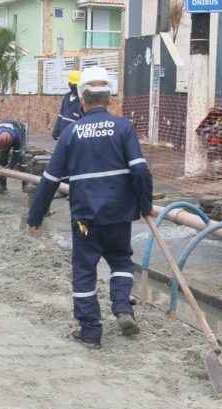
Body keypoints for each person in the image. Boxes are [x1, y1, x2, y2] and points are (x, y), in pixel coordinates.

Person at [27, 66, 153, 350]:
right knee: (121, 261)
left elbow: (49, 179)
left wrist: (35, 217)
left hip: (85, 217)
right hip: (119, 214)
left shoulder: (71, 133)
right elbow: (141, 171)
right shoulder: (123, 127)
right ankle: (122, 308)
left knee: (85, 271)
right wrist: (145, 205)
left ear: (82, 100)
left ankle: (90, 332)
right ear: (109, 99)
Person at [0, 120, 25, 193]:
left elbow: (16, 153)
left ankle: (25, 185)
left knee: (22, 157)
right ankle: (3, 186)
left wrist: (10, 166)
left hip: (20, 129)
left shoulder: (17, 137)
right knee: (3, 159)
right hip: (5, 130)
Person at [52, 70, 83, 141]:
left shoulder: (82, 101)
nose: (74, 87)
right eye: (73, 85)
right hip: (63, 135)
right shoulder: (66, 97)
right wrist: (56, 130)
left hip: (74, 139)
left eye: (76, 85)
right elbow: (61, 115)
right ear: (69, 84)